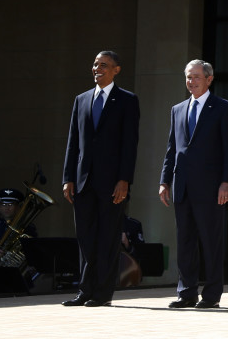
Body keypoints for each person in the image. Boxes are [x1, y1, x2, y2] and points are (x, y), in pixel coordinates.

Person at [61, 50, 140, 307]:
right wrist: (68, 177)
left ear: (116, 70)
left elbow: (130, 144)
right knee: (85, 238)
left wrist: (124, 180)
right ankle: (85, 290)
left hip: (112, 184)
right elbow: (73, 143)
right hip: (83, 182)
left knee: (107, 238)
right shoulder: (81, 100)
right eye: (95, 64)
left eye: (104, 65)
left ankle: (103, 293)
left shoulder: (127, 100)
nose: (97, 68)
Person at [160, 59, 228, 309]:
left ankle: (212, 295)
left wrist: (227, 182)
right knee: (185, 242)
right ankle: (187, 293)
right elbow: (172, 150)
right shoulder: (178, 109)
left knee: (210, 242)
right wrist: (165, 181)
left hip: (212, 188)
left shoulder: (223, 108)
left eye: (196, 77)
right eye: (188, 77)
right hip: (182, 186)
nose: (191, 81)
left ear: (209, 79)